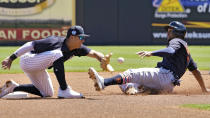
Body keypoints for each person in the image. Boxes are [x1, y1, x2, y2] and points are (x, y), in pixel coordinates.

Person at [88, 21, 209, 95]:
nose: (168, 33)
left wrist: (152, 53)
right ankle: (136, 90)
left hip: (164, 76)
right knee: (126, 82)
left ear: (178, 33)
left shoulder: (177, 41)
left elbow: (170, 51)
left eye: (170, 30)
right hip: (168, 85)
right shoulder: (186, 52)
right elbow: (196, 71)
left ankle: (103, 83)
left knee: (130, 73)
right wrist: (204, 89)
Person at [0, 25, 113, 99]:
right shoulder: (54, 41)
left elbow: (93, 52)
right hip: (28, 60)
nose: (83, 40)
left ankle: (13, 88)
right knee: (58, 53)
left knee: (47, 93)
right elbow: (30, 44)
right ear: (72, 37)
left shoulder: (77, 47)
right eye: (81, 37)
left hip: (38, 66)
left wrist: (102, 59)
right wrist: (11, 58)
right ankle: (64, 90)